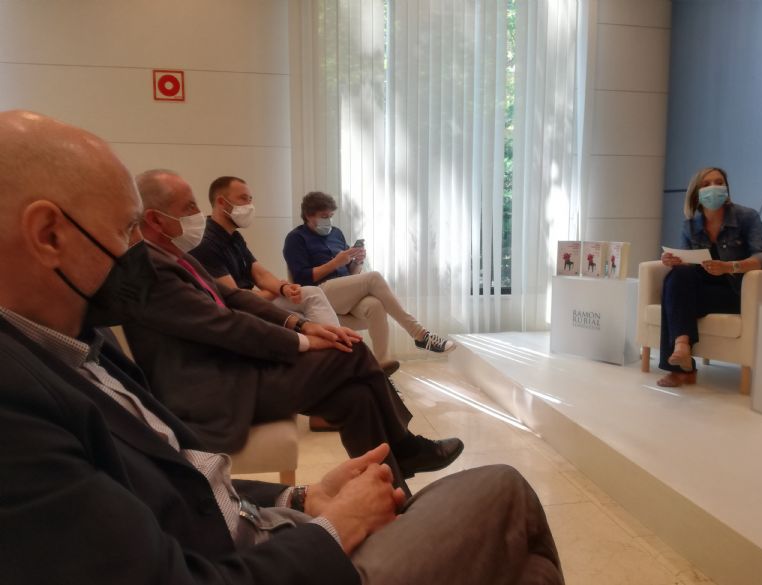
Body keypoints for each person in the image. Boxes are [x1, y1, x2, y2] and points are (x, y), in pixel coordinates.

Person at [0, 110, 565, 585]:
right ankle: (403, 453)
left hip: (260, 527)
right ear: (49, 234)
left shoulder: (80, 342)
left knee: (516, 559)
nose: (135, 247)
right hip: (250, 488)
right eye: (125, 230)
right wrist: (336, 528)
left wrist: (299, 498)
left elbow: (184, 479)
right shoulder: (18, 408)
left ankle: (398, 474)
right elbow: (223, 326)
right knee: (504, 493)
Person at [130, 169, 462, 490]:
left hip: (235, 367)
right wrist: (302, 339)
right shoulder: (152, 271)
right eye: (189, 207)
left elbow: (233, 297)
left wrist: (301, 323)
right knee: (352, 350)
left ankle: (392, 495)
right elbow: (225, 322)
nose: (197, 214)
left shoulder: (177, 257)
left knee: (357, 398)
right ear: (156, 220)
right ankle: (405, 446)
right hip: (214, 390)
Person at [283, 191, 455, 364]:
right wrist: (335, 263)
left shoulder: (336, 233)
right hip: (318, 293)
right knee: (373, 277)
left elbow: (351, 275)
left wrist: (357, 261)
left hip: (341, 295)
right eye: (323, 216)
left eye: (330, 216)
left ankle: (382, 365)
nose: (328, 220)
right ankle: (420, 335)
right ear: (308, 215)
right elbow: (302, 278)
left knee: (375, 306)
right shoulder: (296, 238)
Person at [657, 166, 762, 387]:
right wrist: (673, 260)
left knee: (672, 294)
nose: (714, 187)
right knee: (675, 278)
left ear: (726, 188)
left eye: (719, 182)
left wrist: (729, 267)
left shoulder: (747, 217)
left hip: (736, 293)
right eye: (707, 184)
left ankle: (681, 368)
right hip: (702, 292)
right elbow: (687, 264)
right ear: (697, 193)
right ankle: (682, 348)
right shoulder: (690, 225)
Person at [189, 175, 341, 327]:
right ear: (221, 202)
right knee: (302, 315)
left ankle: (338, 339)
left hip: (253, 299)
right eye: (243, 199)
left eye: (250, 199)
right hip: (237, 311)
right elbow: (235, 298)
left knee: (313, 294)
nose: (250, 205)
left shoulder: (234, 236)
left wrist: (284, 288)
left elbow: (261, 275)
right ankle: (335, 339)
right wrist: (276, 291)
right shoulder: (206, 242)